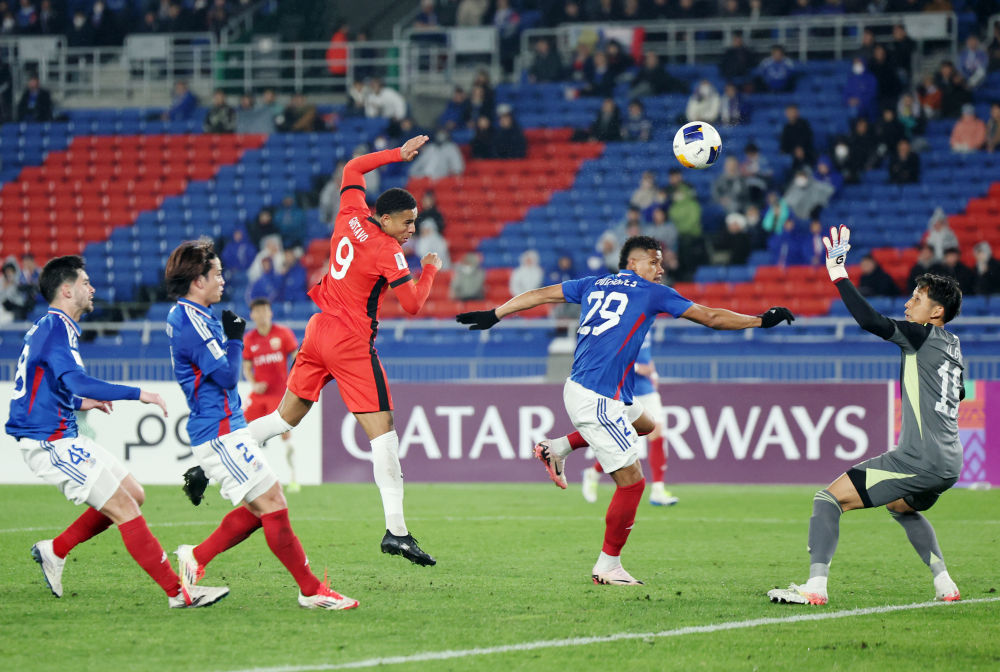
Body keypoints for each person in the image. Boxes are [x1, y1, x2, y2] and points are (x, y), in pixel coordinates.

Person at [457, 236, 795, 585]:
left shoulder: (592, 284)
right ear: (633, 263)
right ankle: (608, 566)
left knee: (646, 425)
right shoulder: (651, 292)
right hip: (597, 397)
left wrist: (495, 314)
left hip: (597, 390)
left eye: (661, 262)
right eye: (654, 261)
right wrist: (759, 320)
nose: (660, 269)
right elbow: (710, 317)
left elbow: (541, 294)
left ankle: (557, 447)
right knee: (633, 483)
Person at [243, 136, 441, 566]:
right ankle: (397, 532)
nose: (412, 229)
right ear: (385, 219)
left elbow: (352, 168)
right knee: (384, 434)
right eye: (407, 222)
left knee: (284, 418)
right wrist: (428, 271)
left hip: (317, 330)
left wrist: (396, 155)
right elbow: (412, 304)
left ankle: (216, 454)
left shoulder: (351, 214)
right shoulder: (388, 250)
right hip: (350, 341)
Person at [7, 256, 228, 608]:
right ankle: (178, 593)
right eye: (85, 282)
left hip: (63, 434)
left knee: (133, 494)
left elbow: (44, 383)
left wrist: (80, 403)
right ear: (67, 290)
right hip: (48, 442)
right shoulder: (56, 328)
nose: (92, 288)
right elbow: (77, 380)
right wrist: (139, 393)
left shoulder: (54, 327)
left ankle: (55, 550)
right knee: (124, 507)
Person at [768, 226, 964, 606]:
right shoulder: (954, 347)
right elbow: (958, 395)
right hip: (951, 461)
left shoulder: (921, 335)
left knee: (828, 499)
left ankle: (816, 587)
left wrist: (838, 274)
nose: (908, 304)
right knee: (900, 506)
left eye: (917, 299)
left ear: (936, 312)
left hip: (919, 457)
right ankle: (944, 583)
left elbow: (870, 321)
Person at [164, 240, 358, 610]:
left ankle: (196, 556)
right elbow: (226, 375)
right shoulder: (191, 320)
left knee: (261, 508)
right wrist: (236, 339)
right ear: (197, 281)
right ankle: (311, 590)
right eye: (217, 273)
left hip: (227, 425)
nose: (223, 279)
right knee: (273, 502)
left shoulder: (192, 315)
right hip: (219, 431)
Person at [581, 332, 678, 507]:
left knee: (657, 435)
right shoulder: (621, 325)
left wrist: (653, 374)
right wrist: (637, 368)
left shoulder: (646, 326)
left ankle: (658, 490)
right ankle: (593, 473)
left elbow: (646, 356)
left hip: (647, 390)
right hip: (625, 392)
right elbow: (608, 356)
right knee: (622, 443)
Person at [242, 298, 301, 492]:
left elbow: (297, 357)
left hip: (279, 395)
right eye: (257, 311)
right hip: (259, 396)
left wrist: (295, 380)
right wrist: (254, 383)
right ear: (252, 315)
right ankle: (236, 474)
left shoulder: (283, 334)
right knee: (240, 431)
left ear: (270, 312)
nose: (261, 314)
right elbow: (247, 367)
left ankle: (293, 478)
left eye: (264, 310)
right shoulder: (249, 339)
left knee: (286, 437)